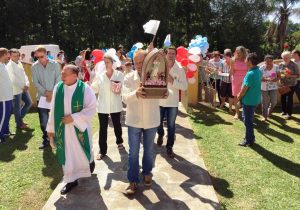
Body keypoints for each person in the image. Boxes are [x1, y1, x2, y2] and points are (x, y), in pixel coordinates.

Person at [122, 44, 166, 195]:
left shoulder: (155, 75)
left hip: (151, 119)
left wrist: (164, 94)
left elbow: (164, 91)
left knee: (148, 150)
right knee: (133, 152)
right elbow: (124, 98)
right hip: (134, 120)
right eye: (136, 62)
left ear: (147, 61)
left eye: (142, 62)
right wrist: (136, 93)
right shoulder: (128, 77)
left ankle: (147, 172)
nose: (139, 65)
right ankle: (132, 180)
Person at [46, 64, 96, 195]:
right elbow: (53, 109)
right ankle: (71, 180)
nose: (62, 76)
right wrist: (50, 128)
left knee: (83, 151)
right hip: (62, 130)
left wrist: (74, 118)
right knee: (67, 155)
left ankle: (90, 162)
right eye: (61, 73)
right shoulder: (58, 87)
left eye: (65, 74)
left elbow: (91, 108)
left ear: (75, 75)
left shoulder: (85, 89)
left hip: (79, 129)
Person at [91, 53, 124, 160]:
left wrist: (119, 91)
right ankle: (102, 150)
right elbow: (94, 90)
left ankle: (119, 141)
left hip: (115, 104)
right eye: (104, 62)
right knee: (103, 129)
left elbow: (123, 89)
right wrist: (91, 83)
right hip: (103, 106)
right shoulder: (100, 76)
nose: (106, 64)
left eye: (108, 62)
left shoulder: (119, 75)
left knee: (117, 125)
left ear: (112, 63)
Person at [156, 46, 187, 158]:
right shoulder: (160, 65)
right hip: (160, 100)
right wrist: (158, 78)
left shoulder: (180, 68)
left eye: (173, 53)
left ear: (176, 55)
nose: (170, 55)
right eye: (169, 53)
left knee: (171, 125)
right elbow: (153, 79)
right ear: (166, 54)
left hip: (172, 102)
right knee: (158, 123)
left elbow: (184, 86)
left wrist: (173, 81)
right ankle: (160, 134)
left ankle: (169, 147)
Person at [32, 45, 61, 149]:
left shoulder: (55, 65)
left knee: (56, 119)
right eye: (38, 57)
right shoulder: (34, 66)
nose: (40, 59)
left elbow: (59, 79)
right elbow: (35, 82)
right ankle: (46, 139)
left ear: (46, 54)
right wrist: (46, 93)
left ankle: (57, 138)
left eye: (42, 56)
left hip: (55, 96)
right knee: (43, 121)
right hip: (42, 98)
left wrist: (52, 93)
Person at [237, 53, 262, 146]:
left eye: (246, 59)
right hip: (255, 99)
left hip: (248, 100)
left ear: (250, 61)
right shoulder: (258, 71)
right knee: (248, 119)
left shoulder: (250, 73)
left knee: (247, 121)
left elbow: (244, 88)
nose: (244, 61)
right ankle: (251, 137)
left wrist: (239, 96)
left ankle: (249, 140)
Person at [6, 49, 32, 129]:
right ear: (10, 56)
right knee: (16, 108)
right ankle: (19, 124)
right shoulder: (9, 66)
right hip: (16, 90)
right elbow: (13, 79)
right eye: (14, 56)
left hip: (24, 88)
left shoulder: (20, 63)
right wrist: (23, 86)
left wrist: (27, 84)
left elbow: (24, 74)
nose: (17, 57)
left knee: (29, 103)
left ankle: (19, 120)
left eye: (18, 55)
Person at [278, 51, 299, 119]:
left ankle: (289, 114)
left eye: (287, 57)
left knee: (289, 99)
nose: (285, 59)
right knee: (283, 98)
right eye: (284, 57)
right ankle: (284, 111)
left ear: (290, 57)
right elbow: (279, 73)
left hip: (291, 84)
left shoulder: (294, 64)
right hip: (283, 84)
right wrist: (281, 75)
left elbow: (298, 75)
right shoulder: (281, 64)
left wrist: (290, 75)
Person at [259, 55, 280, 121]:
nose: (268, 62)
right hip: (264, 87)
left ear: (272, 61)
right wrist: (265, 79)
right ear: (264, 61)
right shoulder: (261, 68)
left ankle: (269, 111)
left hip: (273, 87)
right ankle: (264, 116)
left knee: (274, 102)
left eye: (270, 61)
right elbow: (259, 78)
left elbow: (279, 76)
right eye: (267, 61)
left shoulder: (276, 67)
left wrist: (276, 79)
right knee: (265, 102)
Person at [0, 48, 13, 143]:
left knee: (7, 115)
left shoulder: (3, 65)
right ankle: (1, 136)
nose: (8, 56)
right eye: (7, 54)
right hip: (3, 96)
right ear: (3, 54)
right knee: (3, 116)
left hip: (8, 95)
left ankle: (4, 132)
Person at [231, 46, 248, 119]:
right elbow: (231, 71)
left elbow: (249, 70)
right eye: (236, 52)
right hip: (236, 80)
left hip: (246, 80)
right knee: (236, 97)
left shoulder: (247, 60)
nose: (237, 54)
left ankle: (246, 113)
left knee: (245, 96)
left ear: (243, 53)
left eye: (239, 53)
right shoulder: (233, 60)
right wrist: (232, 78)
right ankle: (237, 113)